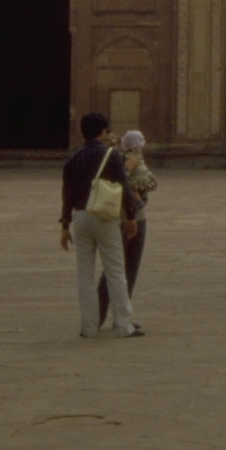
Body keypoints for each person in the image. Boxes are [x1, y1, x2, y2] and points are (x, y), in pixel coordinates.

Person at [60, 112, 142, 339]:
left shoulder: (72, 159)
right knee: (115, 271)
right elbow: (124, 186)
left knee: (84, 275)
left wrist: (65, 226)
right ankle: (124, 325)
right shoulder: (111, 155)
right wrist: (132, 217)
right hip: (105, 216)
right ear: (103, 132)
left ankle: (88, 327)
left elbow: (66, 195)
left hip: (81, 217)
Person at [97, 131, 156, 329]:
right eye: (111, 141)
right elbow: (111, 184)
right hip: (120, 218)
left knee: (130, 268)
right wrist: (128, 170)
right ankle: (97, 316)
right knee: (114, 269)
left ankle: (122, 316)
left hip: (136, 218)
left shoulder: (126, 158)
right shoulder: (106, 159)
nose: (116, 144)